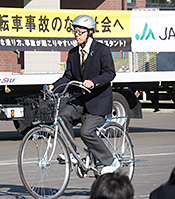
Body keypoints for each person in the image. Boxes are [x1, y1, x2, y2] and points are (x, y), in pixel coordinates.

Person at [48, 15, 119, 174]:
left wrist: (93, 82)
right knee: (62, 115)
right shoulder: (73, 53)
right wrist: (54, 85)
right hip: (80, 99)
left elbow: (109, 73)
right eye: (75, 32)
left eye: (80, 32)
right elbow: (68, 76)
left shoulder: (102, 50)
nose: (76, 35)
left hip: (98, 101)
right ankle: (72, 154)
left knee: (87, 132)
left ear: (90, 32)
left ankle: (111, 161)